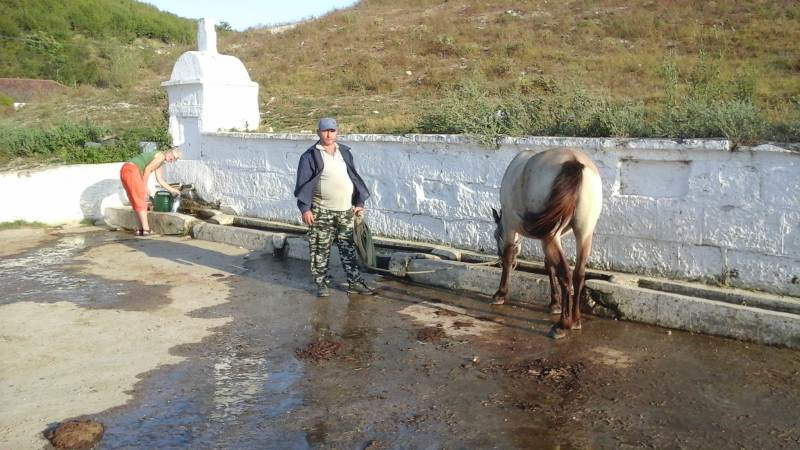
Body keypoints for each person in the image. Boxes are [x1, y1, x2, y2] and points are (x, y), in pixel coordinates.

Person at [294, 117, 375, 297]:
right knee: (320, 248)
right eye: (325, 130)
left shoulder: (344, 152)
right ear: (318, 133)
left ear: (337, 132)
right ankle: (321, 283)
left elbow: (354, 177)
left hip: (346, 211)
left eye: (332, 130)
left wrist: (359, 203)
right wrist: (305, 209)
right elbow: (302, 184)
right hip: (321, 211)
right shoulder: (310, 155)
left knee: (348, 248)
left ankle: (354, 282)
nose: (329, 134)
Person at [119, 146, 182, 236]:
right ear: (169, 152)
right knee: (142, 200)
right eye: (173, 156)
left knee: (135, 201)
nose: (172, 159)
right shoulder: (161, 156)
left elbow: (160, 180)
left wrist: (172, 190)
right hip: (132, 170)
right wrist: (145, 187)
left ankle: (140, 229)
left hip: (125, 170)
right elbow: (148, 169)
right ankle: (146, 230)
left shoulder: (160, 162)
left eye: (175, 159)